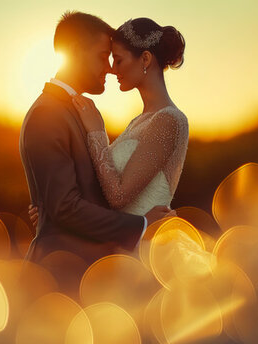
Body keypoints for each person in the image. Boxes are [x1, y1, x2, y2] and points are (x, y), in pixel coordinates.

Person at [19, 12, 174, 268]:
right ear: (75, 52)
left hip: (88, 269)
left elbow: (73, 198)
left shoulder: (78, 111)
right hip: (60, 272)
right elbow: (65, 208)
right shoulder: (47, 113)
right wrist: (142, 225)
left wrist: (48, 209)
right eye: (103, 56)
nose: (110, 69)